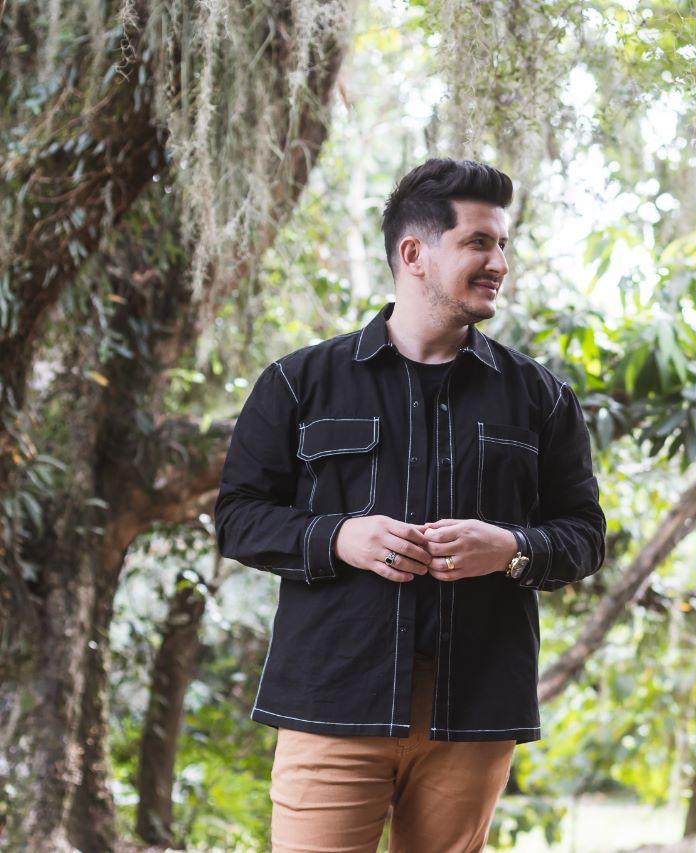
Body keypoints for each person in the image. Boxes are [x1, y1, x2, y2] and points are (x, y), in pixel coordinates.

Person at [215, 158, 606, 852]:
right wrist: (340, 537)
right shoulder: (298, 382)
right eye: (479, 242)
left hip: (472, 710)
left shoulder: (541, 397)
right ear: (414, 253)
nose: (499, 263)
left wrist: (510, 549)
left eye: (504, 245)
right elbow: (239, 516)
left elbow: (583, 535)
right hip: (331, 703)